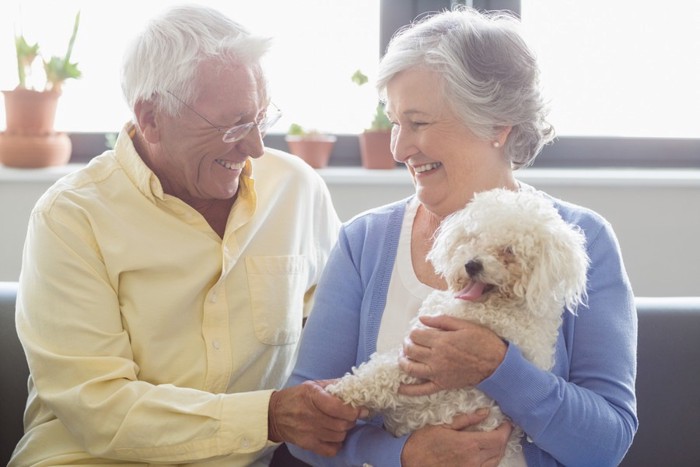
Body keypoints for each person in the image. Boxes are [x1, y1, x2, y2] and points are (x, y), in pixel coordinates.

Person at [10, 5, 364, 467]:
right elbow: (100, 410)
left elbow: (348, 339)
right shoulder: (71, 218)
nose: (255, 146)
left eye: (262, 119)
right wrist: (268, 417)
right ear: (152, 117)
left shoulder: (296, 190)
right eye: (235, 125)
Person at [285, 7, 638, 467]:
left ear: (496, 126)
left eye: (419, 122)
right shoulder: (364, 242)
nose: (398, 148)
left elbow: (606, 444)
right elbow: (303, 427)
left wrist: (498, 369)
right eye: (394, 122)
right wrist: (403, 455)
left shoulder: (582, 242)